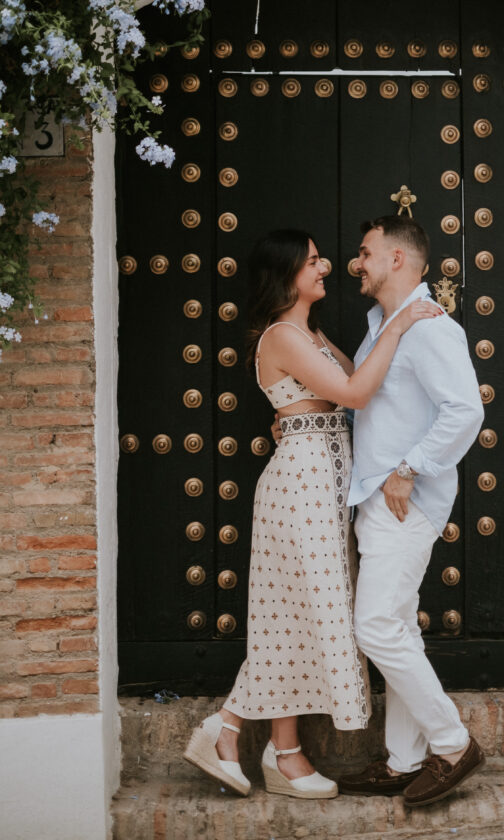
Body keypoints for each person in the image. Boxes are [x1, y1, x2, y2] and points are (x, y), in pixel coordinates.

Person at [183, 228, 442, 800]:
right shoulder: (281, 335)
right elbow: (355, 393)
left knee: (296, 615)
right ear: (286, 274)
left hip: (323, 483)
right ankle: (234, 731)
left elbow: (357, 391)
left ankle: (271, 747)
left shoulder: (311, 333)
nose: (325, 267)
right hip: (300, 487)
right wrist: (400, 322)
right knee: (300, 614)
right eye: (312, 261)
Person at [337, 215, 485, 808]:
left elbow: (466, 411)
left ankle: (453, 744)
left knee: (374, 626)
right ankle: (403, 760)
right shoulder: (382, 326)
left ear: (396, 259)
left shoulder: (428, 328)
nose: (357, 262)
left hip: (404, 501)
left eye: (366, 252)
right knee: (395, 626)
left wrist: (409, 469)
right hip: (379, 499)